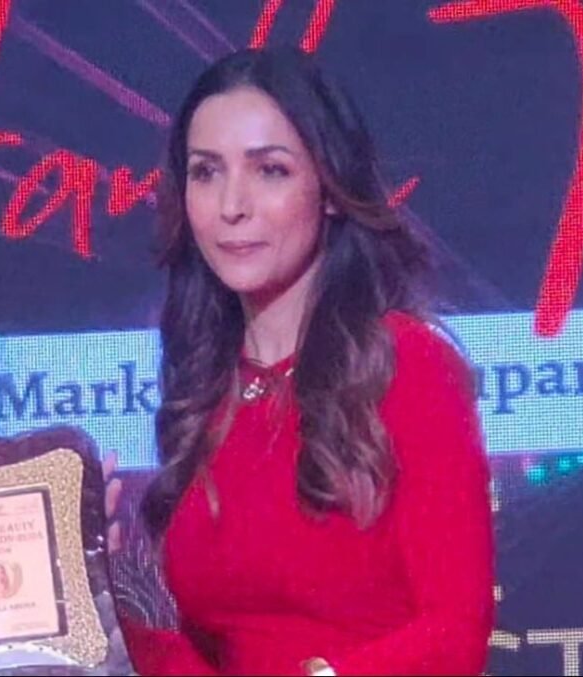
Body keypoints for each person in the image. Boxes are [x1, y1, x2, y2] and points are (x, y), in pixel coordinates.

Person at [119, 46, 495, 676]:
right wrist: (93, 597)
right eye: (206, 172)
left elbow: (453, 633)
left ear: (329, 190)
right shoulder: (206, 390)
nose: (231, 205)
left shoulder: (405, 362)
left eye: (270, 170)